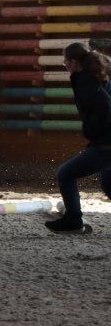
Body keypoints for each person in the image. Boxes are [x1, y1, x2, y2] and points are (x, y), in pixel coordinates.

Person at [45, 42, 111, 234]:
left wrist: (93, 132)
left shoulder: (85, 80)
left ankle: (73, 221)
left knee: (65, 174)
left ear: (74, 62)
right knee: (108, 184)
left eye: (65, 61)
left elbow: (105, 107)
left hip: (107, 143)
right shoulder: (99, 75)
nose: (64, 64)